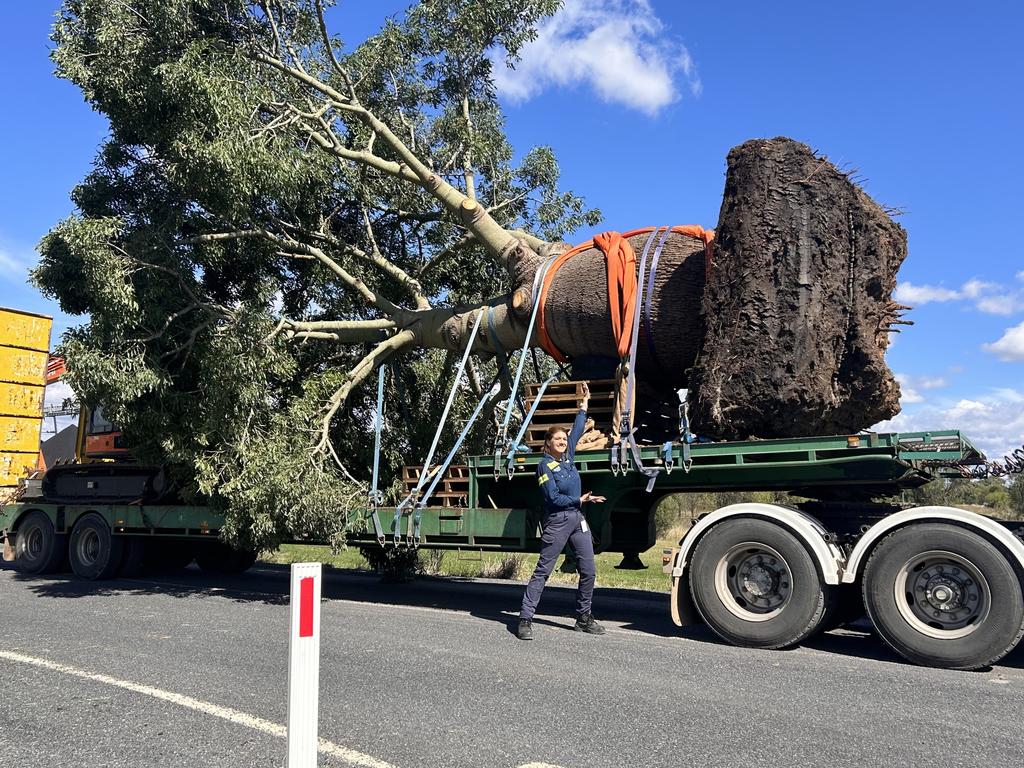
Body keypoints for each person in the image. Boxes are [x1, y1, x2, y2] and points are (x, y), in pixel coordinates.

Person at [517, 381, 607, 640]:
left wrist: (584, 406)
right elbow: (553, 498)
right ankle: (525, 619)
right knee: (543, 570)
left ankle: (584, 617)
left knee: (589, 569)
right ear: (547, 443)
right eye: (557, 439)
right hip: (557, 521)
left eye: (564, 439)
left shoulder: (569, 458)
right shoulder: (544, 466)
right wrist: (580, 500)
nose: (562, 442)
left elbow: (577, 430)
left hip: (578, 520)